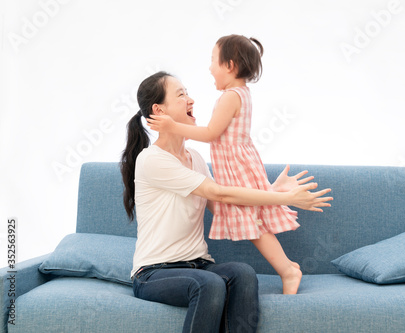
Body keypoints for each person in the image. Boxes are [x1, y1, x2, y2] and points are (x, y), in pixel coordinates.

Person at [121, 71, 332, 333]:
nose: (191, 100)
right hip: (154, 273)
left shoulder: (195, 158)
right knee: (207, 284)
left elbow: (224, 208)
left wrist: (270, 190)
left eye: (187, 92)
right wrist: (286, 197)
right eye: (181, 95)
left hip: (199, 264)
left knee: (242, 273)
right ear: (158, 110)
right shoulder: (152, 160)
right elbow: (220, 193)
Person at [147, 35, 313, 294]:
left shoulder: (230, 97)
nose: (210, 67)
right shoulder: (240, 93)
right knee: (252, 220)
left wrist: (172, 125)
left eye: (213, 60)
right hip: (240, 163)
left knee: (253, 223)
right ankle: (287, 267)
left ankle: (288, 270)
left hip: (236, 166)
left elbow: (212, 133)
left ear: (230, 66)